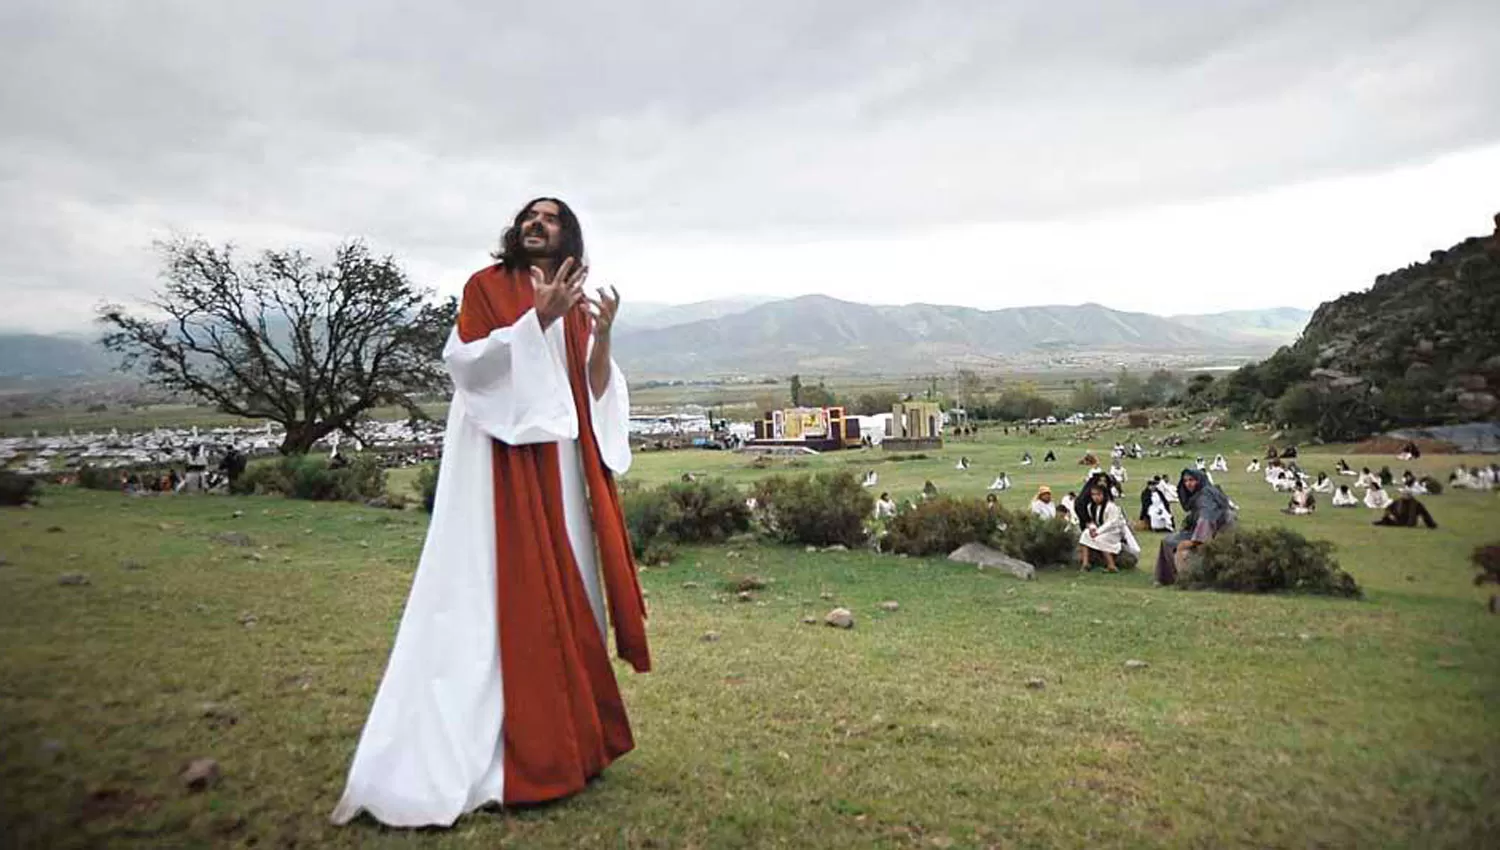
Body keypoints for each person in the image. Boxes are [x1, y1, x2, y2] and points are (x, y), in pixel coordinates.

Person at [333, 198, 649, 828]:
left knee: (570, 590)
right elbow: (466, 366)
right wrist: (534, 321)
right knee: (497, 591)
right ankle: (497, 746)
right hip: (498, 460)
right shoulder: (486, 286)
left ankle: (574, 740)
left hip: (558, 464)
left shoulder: (575, 298)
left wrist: (602, 333)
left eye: (552, 218)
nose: (538, 224)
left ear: (569, 236)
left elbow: (590, 388)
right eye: (530, 216)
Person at [1154, 468, 1233, 586]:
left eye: (1192, 480)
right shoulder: (1207, 492)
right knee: (1169, 540)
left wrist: (1194, 542)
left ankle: (1173, 579)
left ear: (1199, 480)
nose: (1188, 484)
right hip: (1211, 531)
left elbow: (1206, 518)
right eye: (1185, 481)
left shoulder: (1206, 495)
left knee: (1169, 542)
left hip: (1216, 533)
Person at [1077, 485, 1127, 572]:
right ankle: (1085, 563)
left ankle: (1111, 565)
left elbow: (1111, 523)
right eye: (1093, 494)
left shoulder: (1111, 507)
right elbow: (1092, 521)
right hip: (1099, 530)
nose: (1095, 497)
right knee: (1085, 534)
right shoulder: (1090, 506)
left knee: (1100, 539)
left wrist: (1098, 532)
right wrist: (1092, 528)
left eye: (1098, 494)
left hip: (1113, 532)